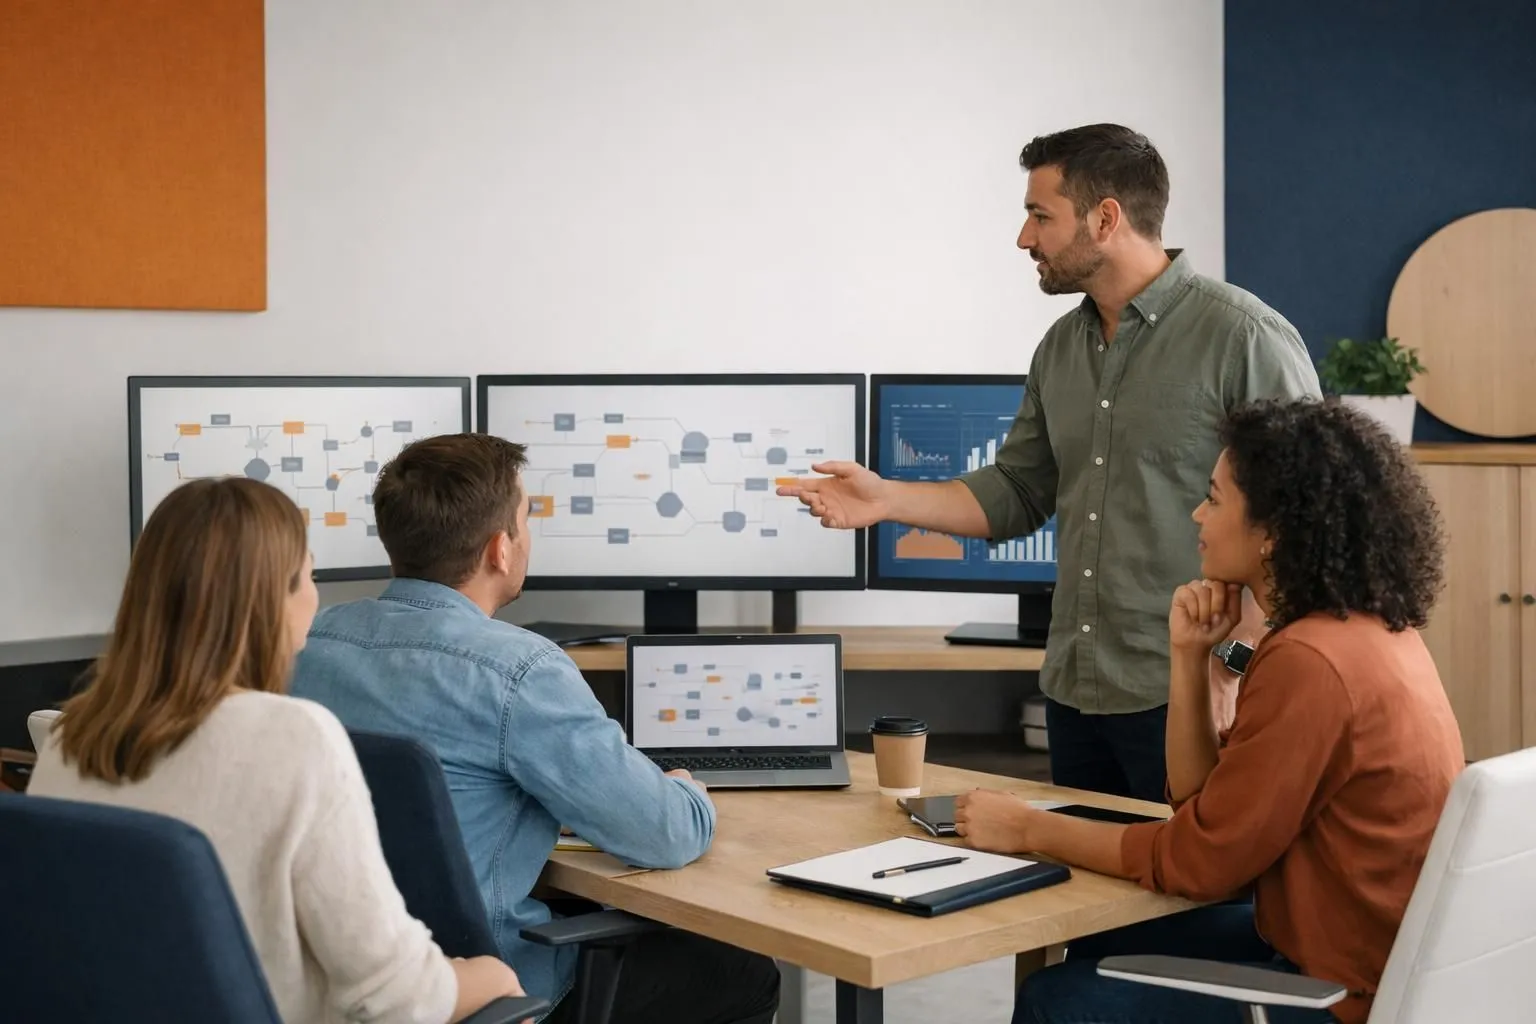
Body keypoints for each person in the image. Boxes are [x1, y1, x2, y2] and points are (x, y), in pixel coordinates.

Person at [779, 123, 1320, 802]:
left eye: (1040, 216)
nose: (1023, 238)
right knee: (1091, 896)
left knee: (1190, 900)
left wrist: (1232, 669)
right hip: (1074, 693)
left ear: (1106, 218)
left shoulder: (1244, 338)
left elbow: (1305, 529)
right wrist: (886, 498)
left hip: (1191, 697)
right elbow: (1015, 491)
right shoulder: (1062, 348)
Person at [952, 398, 1464, 1024]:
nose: (1197, 514)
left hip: (1338, 996)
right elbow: (1202, 809)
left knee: (1056, 1002)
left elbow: (1198, 866)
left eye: (1215, 499)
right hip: (1360, 958)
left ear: (1273, 533)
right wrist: (1193, 660)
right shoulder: (1360, 631)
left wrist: (1026, 828)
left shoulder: (1312, 661)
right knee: (1097, 942)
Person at [290, 433, 780, 1024]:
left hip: (346, 976)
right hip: (489, 986)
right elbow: (667, 835)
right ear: (501, 549)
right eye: (526, 519)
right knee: (742, 971)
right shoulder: (520, 670)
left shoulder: (308, 642)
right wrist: (688, 795)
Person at [28, 477, 525, 1024]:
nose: (314, 596)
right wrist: (494, 977)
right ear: (271, 600)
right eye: (307, 576)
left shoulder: (68, 739)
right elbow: (396, 997)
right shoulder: (296, 739)